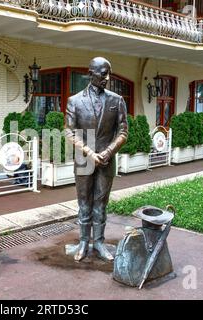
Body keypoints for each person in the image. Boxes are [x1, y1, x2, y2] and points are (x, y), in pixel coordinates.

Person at [65, 57, 128, 262]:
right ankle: (84, 241)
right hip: (84, 159)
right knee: (84, 203)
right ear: (91, 74)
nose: (107, 78)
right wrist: (90, 153)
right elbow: (69, 132)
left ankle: (99, 242)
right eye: (103, 74)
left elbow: (123, 132)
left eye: (109, 73)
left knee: (101, 203)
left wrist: (108, 152)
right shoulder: (74, 101)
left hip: (107, 160)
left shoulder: (116, 100)